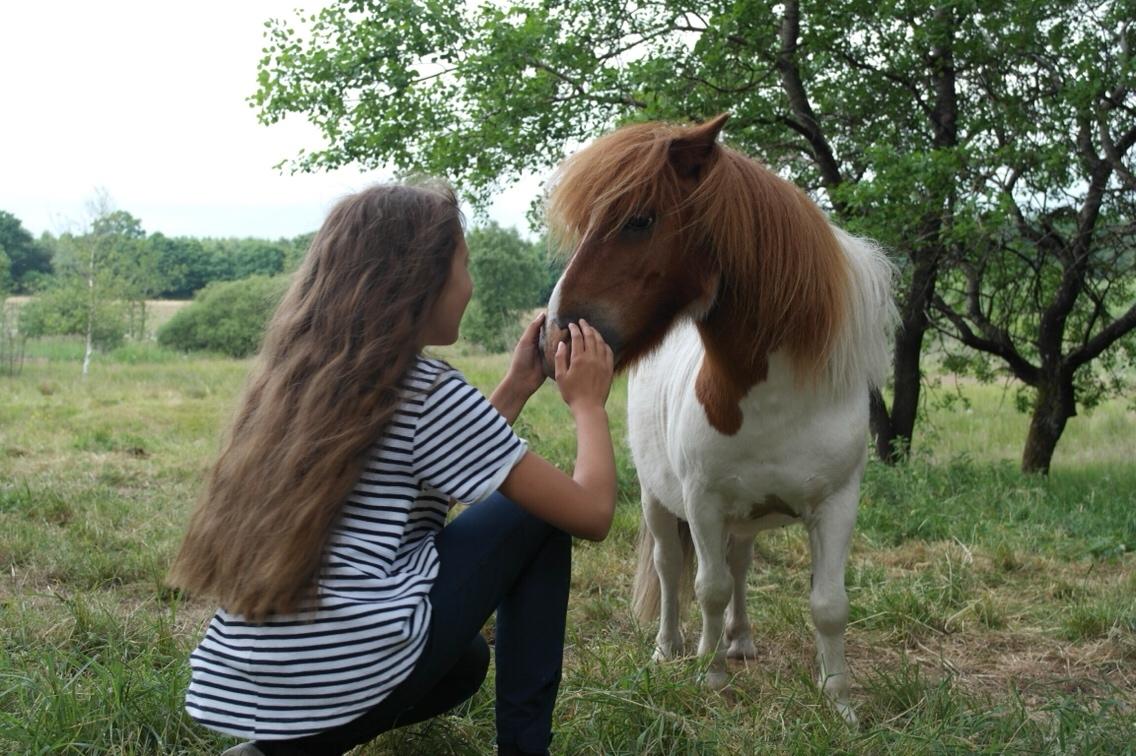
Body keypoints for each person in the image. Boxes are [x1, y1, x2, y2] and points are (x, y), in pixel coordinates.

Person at [167, 182, 617, 756]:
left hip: (265, 683)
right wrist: (587, 404)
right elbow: (591, 511)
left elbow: (426, 460)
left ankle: (277, 752)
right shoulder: (426, 389)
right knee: (534, 517)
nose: (470, 285)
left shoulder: (303, 379)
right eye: (464, 265)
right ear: (423, 280)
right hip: (350, 665)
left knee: (467, 662)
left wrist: (515, 386)